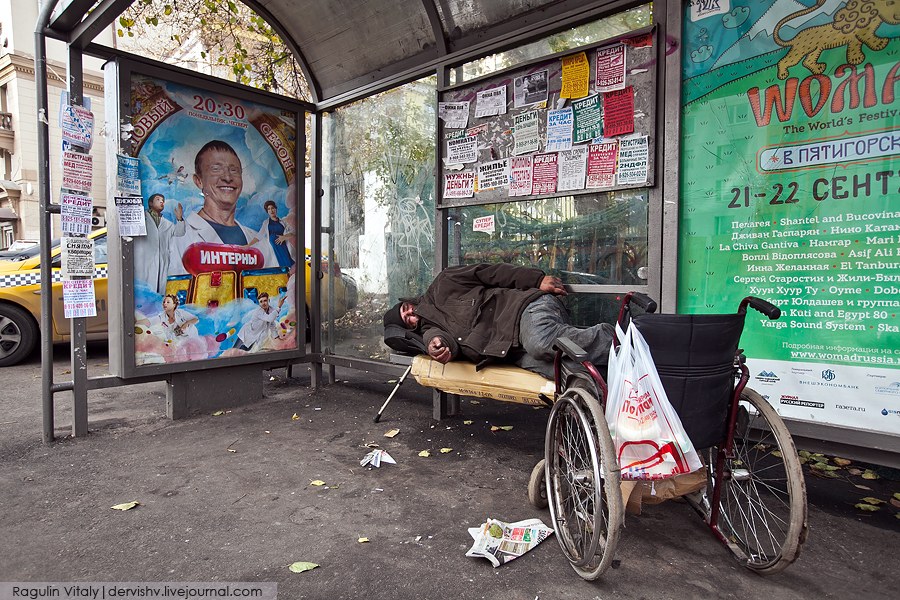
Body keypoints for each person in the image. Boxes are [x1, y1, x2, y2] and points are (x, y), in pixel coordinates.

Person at [382, 263, 614, 379]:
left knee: (540, 343)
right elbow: (439, 340)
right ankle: (625, 383)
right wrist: (438, 348)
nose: (412, 315)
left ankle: (613, 339)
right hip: (511, 351)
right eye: (408, 321)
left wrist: (537, 279)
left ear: (407, 301)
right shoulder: (430, 331)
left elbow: (492, 272)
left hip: (524, 310)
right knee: (567, 373)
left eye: (406, 309)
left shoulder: (444, 282)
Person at [168, 140, 278, 275]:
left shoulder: (255, 238)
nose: (227, 177)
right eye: (216, 169)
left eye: (234, 170)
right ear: (199, 181)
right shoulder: (181, 237)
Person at [134, 193, 184, 294]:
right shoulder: (141, 218)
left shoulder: (167, 223)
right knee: (144, 291)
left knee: (158, 293)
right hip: (144, 261)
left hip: (162, 261)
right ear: (150, 203)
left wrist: (179, 219)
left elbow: (179, 232)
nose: (161, 202)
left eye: (163, 200)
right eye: (158, 199)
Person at [247, 200, 295, 268]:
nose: (271, 210)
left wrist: (283, 237)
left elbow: (292, 233)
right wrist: (248, 245)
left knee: (289, 266)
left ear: (275, 209)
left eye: (272, 208)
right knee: (280, 268)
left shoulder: (283, 222)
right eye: (269, 209)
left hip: (284, 248)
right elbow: (259, 236)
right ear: (267, 212)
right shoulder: (266, 223)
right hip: (273, 249)